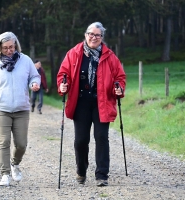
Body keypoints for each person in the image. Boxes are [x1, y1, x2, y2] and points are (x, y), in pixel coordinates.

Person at [57, 22, 126, 187]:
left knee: (101, 137)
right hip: (80, 102)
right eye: (91, 34)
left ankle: (102, 175)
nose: (93, 37)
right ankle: (81, 170)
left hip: (101, 102)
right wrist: (62, 84)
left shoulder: (109, 56)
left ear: (102, 38)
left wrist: (119, 88)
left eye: (97, 35)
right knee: (81, 140)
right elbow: (63, 74)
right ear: (85, 34)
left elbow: (120, 77)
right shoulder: (74, 53)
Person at [0, 32, 41, 186]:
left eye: (12, 47)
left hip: (21, 109)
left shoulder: (25, 60)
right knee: (4, 141)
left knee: (21, 144)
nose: (9, 50)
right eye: (5, 48)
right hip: (1, 108)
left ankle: (14, 164)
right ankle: (5, 174)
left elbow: (34, 76)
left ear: (16, 45)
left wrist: (34, 84)